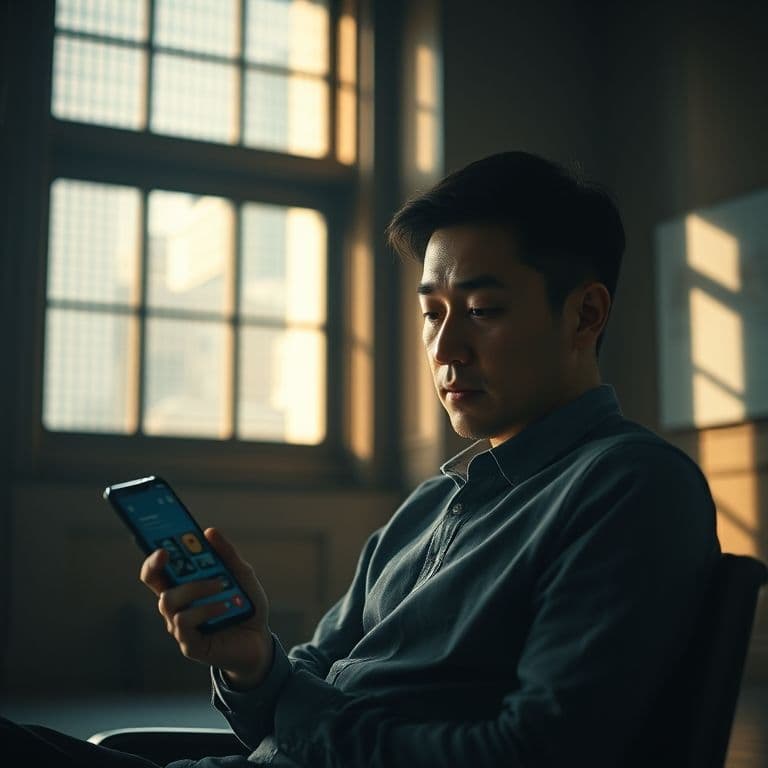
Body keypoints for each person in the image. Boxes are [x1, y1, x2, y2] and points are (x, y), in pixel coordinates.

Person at [1, 151, 720, 767]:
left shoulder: (632, 486)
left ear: (586, 314)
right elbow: (297, 694)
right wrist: (252, 661)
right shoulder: (436, 501)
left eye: (483, 310)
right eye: (433, 312)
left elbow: (530, 753)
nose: (445, 349)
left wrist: (302, 712)